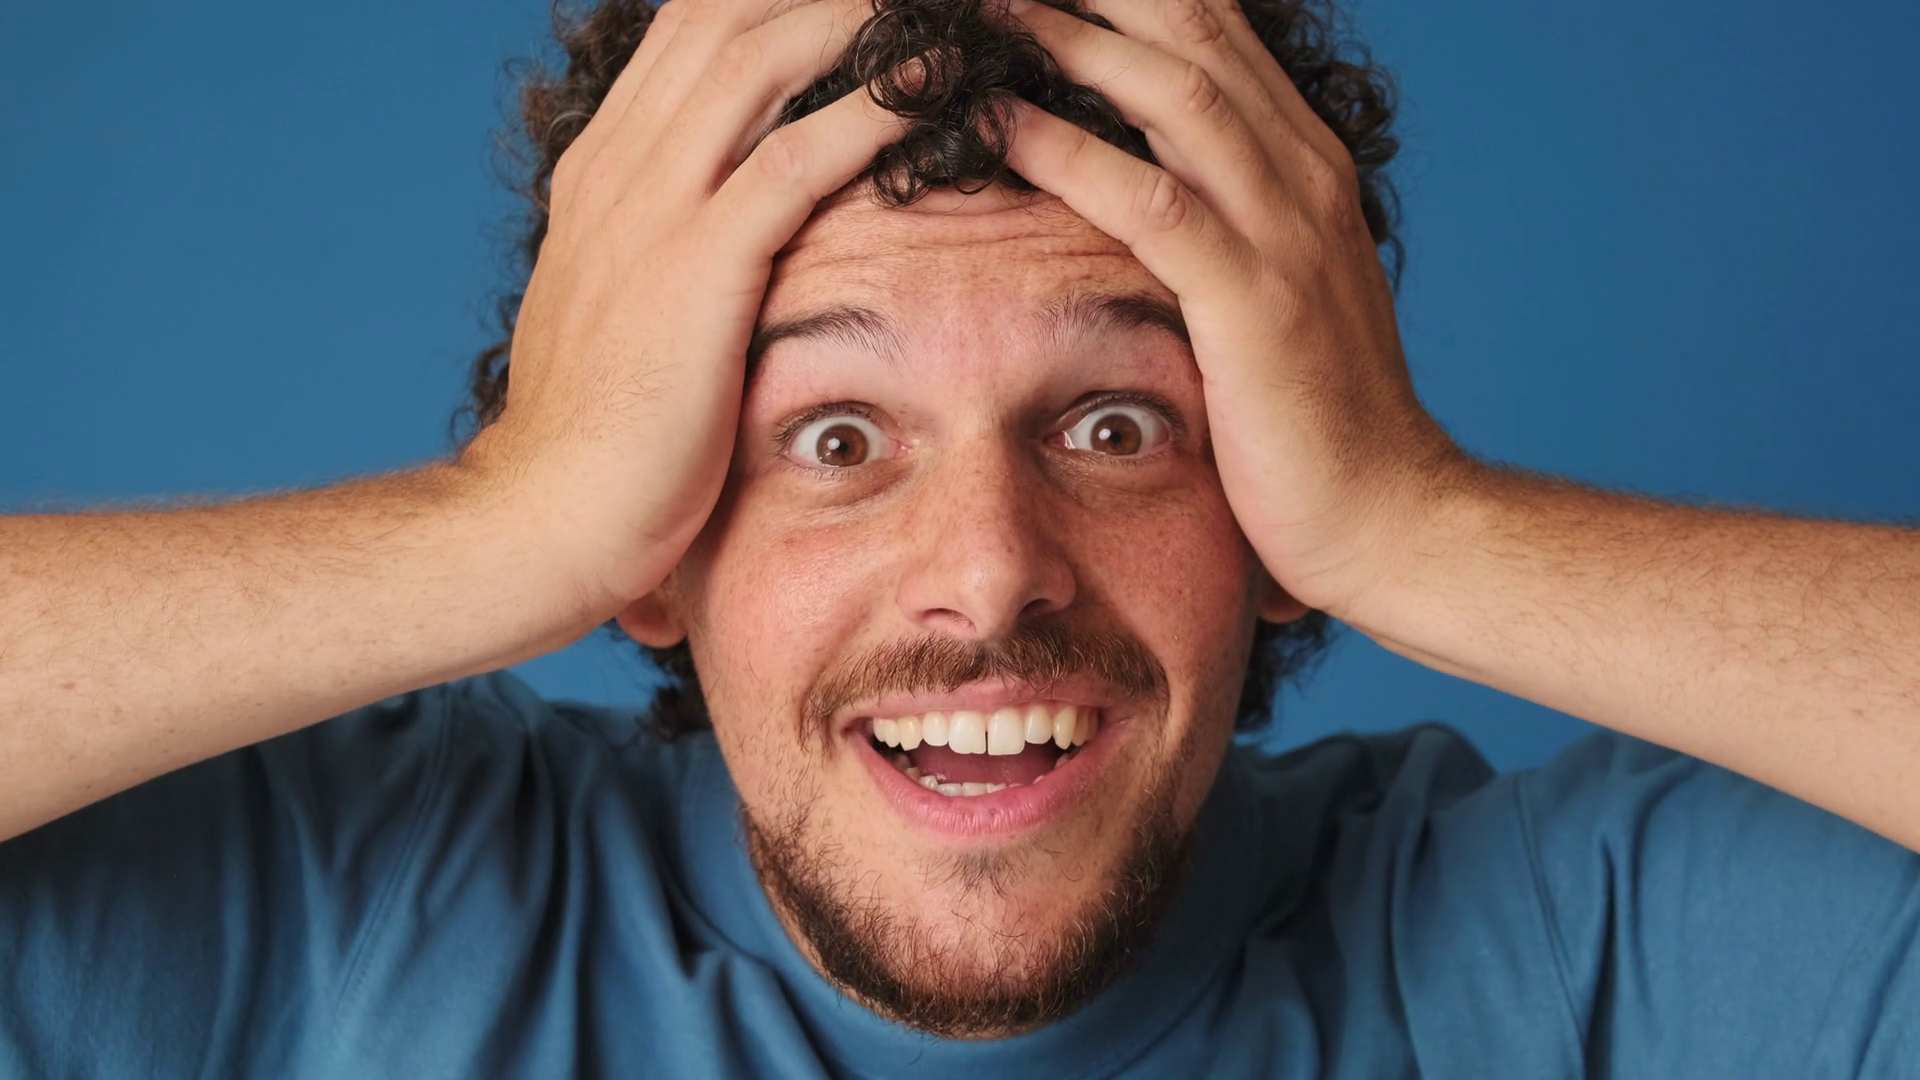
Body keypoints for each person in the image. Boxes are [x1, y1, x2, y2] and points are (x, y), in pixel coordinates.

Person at [2, 0, 1916, 1074]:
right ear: (649, 527)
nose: (992, 569)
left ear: (1277, 485)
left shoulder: (1594, 955)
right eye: (834, 437)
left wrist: (1424, 519)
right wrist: (499, 520)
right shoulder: (342, 905)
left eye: (1115, 426)